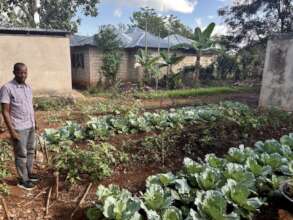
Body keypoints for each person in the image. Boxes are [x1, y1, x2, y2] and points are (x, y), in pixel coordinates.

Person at [0, 63, 38, 190]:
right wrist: (12, 132)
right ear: (14, 72)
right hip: (18, 127)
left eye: (25, 72)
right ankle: (23, 179)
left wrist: (35, 123)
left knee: (31, 151)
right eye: (20, 72)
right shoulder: (7, 88)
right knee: (21, 154)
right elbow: (5, 111)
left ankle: (29, 173)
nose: (23, 75)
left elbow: (30, 107)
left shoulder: (28, 87)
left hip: (30, 125)